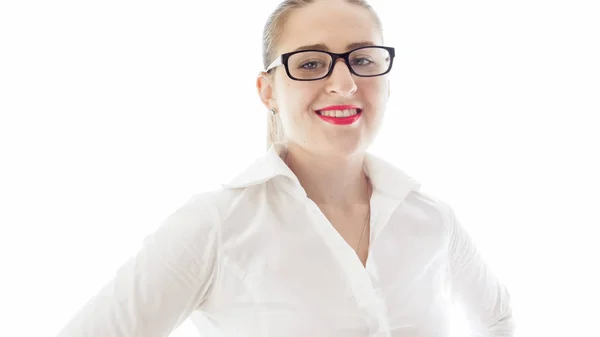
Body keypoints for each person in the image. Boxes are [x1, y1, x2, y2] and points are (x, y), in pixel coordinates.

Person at [55, 0, 515, 336]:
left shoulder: (433, 220)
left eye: (363, 60)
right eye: (311, 63)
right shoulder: (218, 225)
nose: (344, 83)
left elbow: (496, 319)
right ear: (267, 91)